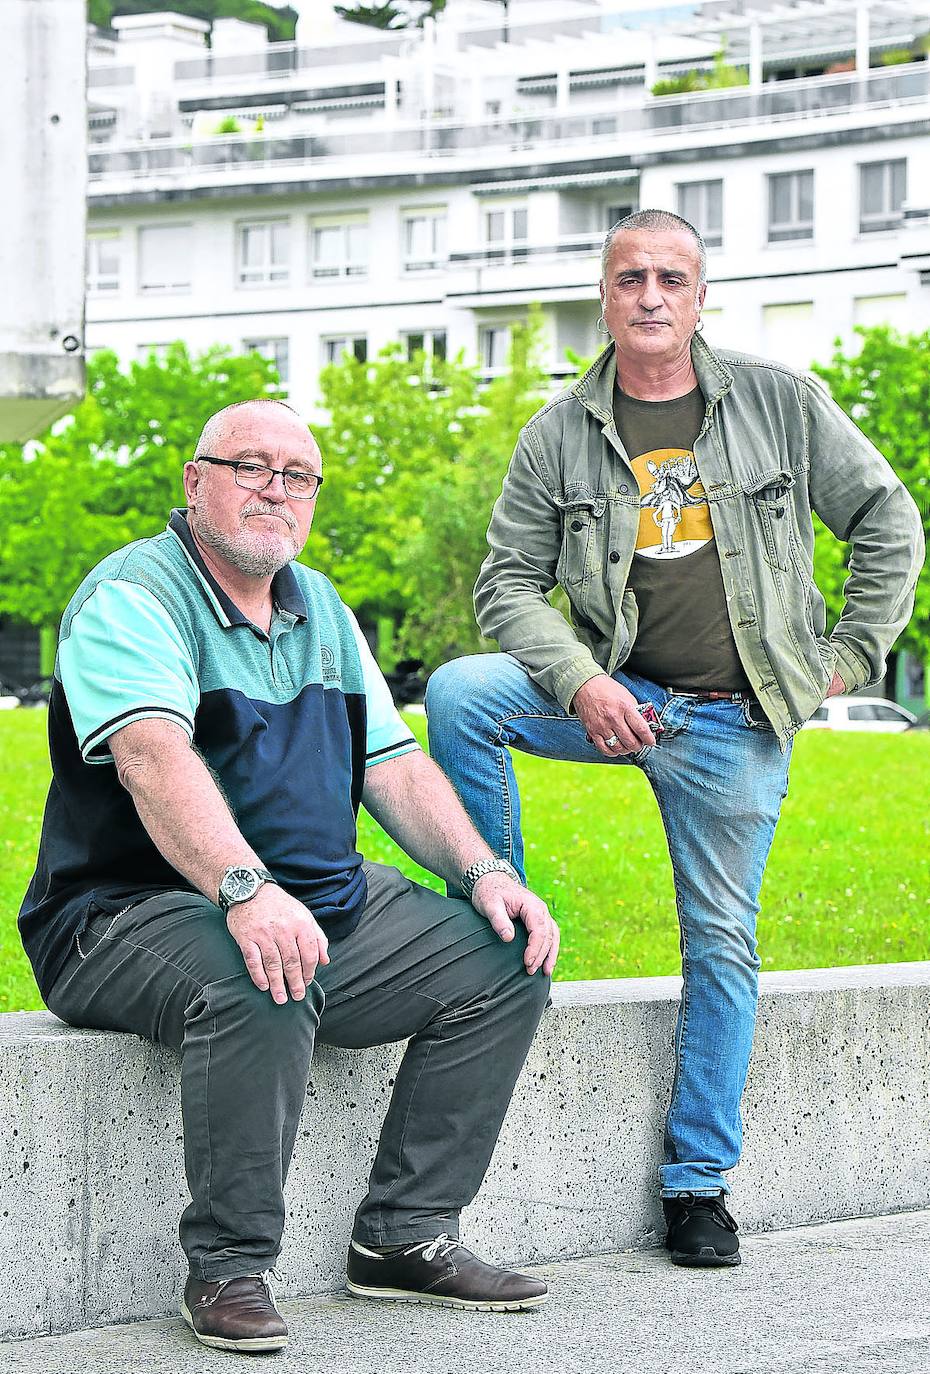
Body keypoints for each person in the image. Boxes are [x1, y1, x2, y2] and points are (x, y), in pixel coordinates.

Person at [425, 209, 923, 1269]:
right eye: (630, 277)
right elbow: (505, 584)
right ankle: (499, 925)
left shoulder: (781, 404)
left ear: (700, 296)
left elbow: (888, 519)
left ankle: (699, 1187)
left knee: (723, 948)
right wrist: (581, 679)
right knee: (466, 693)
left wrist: (844, 660)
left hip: (733, 722)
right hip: (615, 700)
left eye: (672, 277)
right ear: (604, 296)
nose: (651, 295)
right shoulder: (558, 432)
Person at [19, 398, 560, 1354]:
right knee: (261, 975)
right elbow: (152, 757)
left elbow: (391, 765)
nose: (276, 490)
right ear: (196, 482)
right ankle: (228, 1268)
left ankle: (404, 1237)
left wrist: (482, 871)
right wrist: (244, 889)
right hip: (128, 914)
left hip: (313, 907)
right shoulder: (133, 596)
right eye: (250, 468)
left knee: (502, 953)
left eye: (297, 477)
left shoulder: (323, 608)